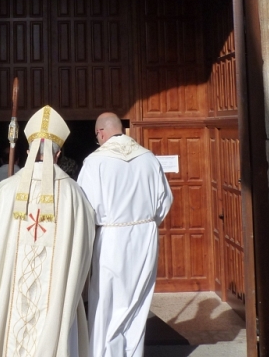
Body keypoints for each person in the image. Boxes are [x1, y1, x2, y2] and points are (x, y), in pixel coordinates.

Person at [0, 106, 95, 357]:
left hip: (12, 289)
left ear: (27, 153)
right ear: (58, 155)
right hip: (57, 290)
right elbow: (84, 244)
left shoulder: (6, 190)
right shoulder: (73, 193)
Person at [77, 113, 173, 357]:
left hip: (112, 239)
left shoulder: (95, 162)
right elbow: (164, 202)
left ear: (101, 133)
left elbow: (86, 208)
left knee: (107, 303)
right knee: (137, 303)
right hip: (145, 237)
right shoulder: (149, 158)